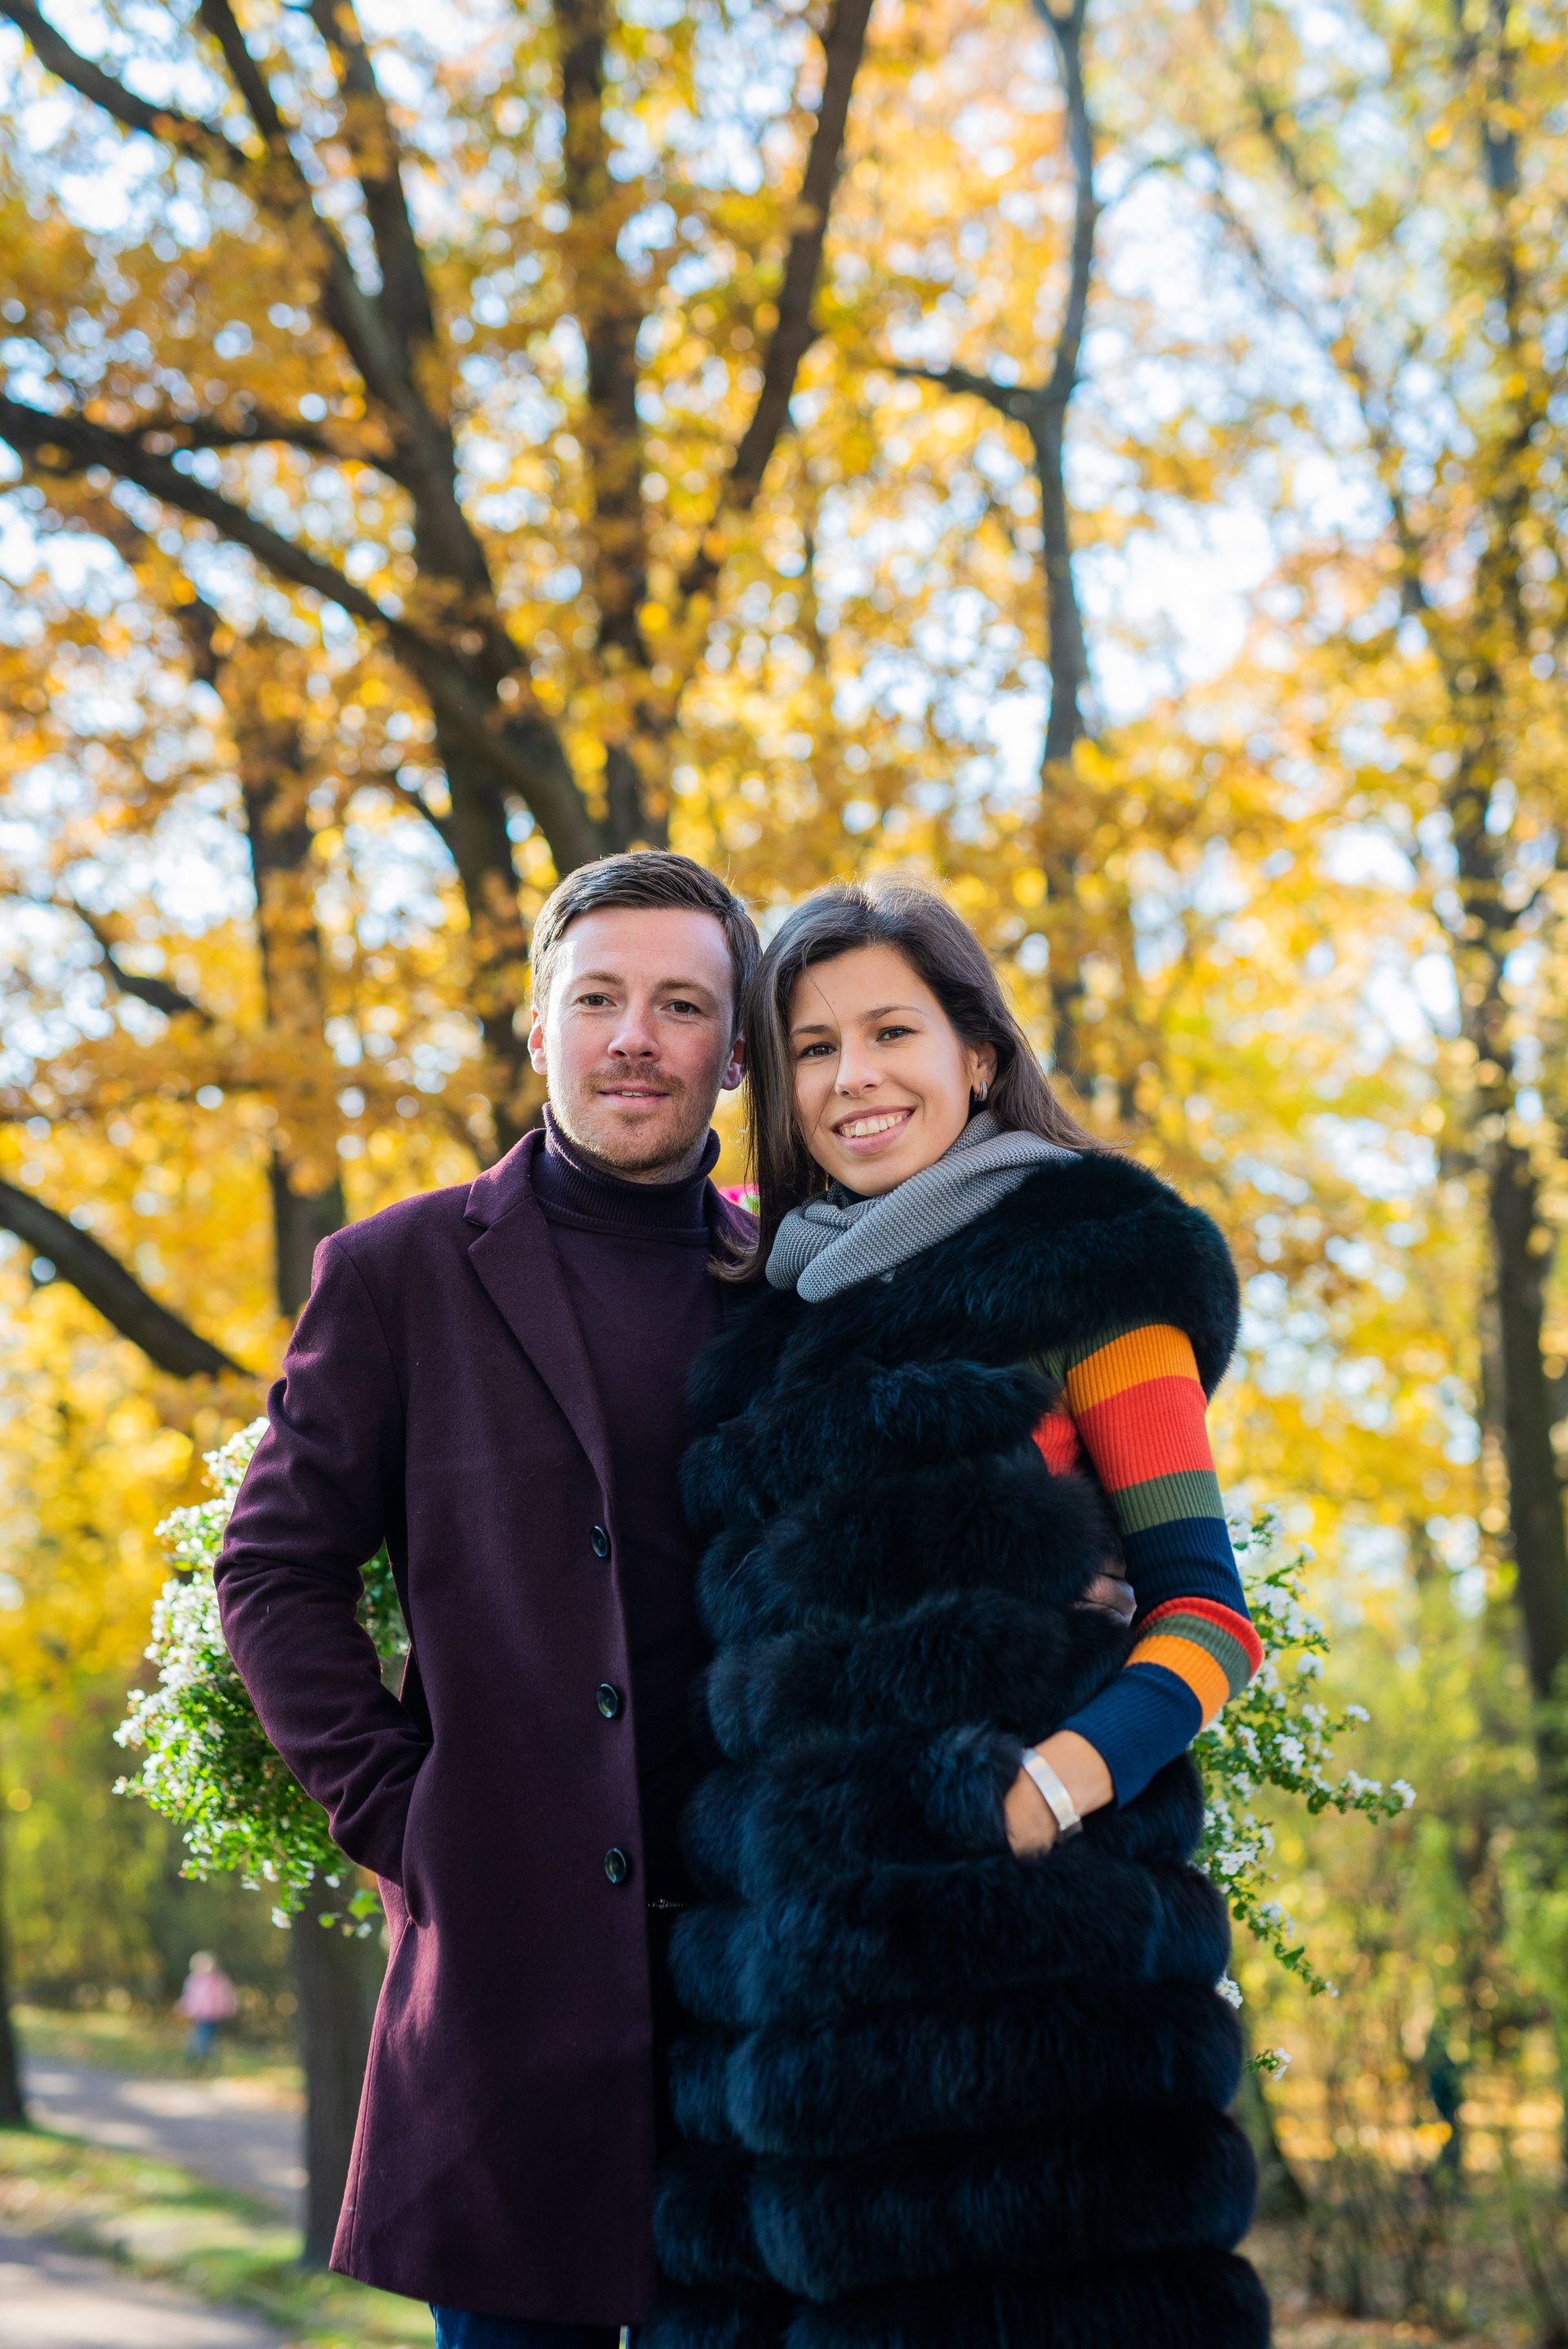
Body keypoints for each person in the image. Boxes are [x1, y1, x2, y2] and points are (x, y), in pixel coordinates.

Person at [649, 877, 1272, 2348]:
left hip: (1023, 1999)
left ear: (976, 1053)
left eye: (891, 1032)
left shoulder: (1087, 1272)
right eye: (811, 1048)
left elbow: (1207, 1616)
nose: (853, 1078)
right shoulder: (771, 1327)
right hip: (785, 2030)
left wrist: (1046, 1789)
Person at [214, 851, 760, 2345]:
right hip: (508, 2008)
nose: (634, 1037)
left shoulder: (795, 1287)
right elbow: (272, 1567)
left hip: (762, 2006)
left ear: (735, 1049)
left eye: (681, 1005)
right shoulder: (398, 1273)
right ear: (538, 1028)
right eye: (597, 999)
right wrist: (405, 1817)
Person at [176, 1950, 237, 2063]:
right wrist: (183, 2007)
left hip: (217, 2014)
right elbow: (188, 1996)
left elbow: (229, 1995)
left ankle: (212, 2059)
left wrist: (231, 2008)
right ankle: (200, 2057)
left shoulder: (220, 1980)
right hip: (201, 2015)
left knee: (214, 2038)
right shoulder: (194, 1981)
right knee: (201, 2036)